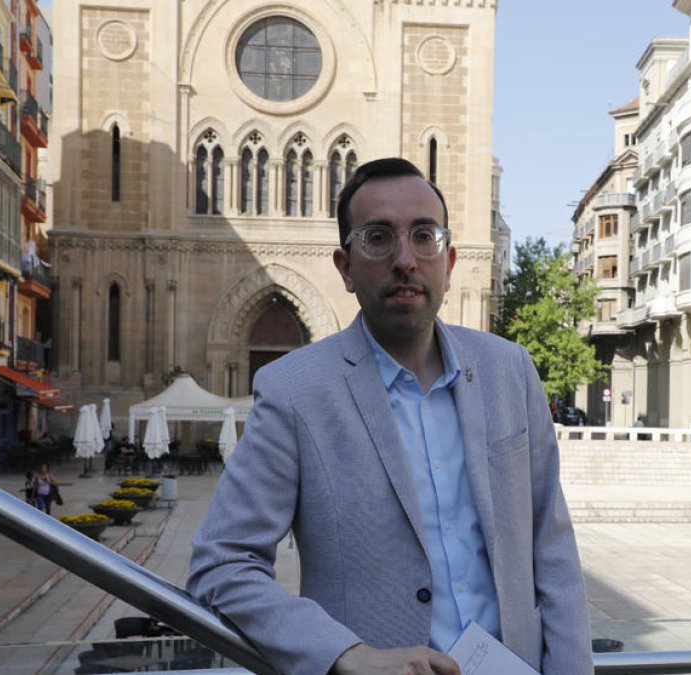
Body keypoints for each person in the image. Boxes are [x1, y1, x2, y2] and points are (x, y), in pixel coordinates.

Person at [189, 158, 591, 675]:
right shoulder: (295, 391)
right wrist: (345, 655)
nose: (405, 259)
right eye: (378, 238)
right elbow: (222, 565)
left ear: (448, 260)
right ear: (345, 267)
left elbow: (552, 552)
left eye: (424, 236)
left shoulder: (508, 371)